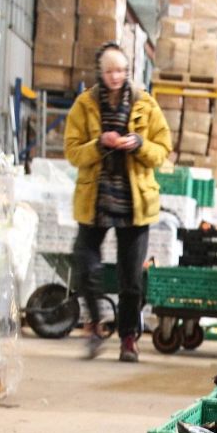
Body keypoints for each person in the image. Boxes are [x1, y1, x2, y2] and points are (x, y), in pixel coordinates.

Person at [63, 43, 172, 362]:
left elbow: (162, 150)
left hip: (134, 202)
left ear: (129, 71)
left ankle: (128, 339)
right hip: (95, 199)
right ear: (100, 71)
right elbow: (72, 152)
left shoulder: (145, 104)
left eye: (121, 70)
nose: (116, 76)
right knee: (84, 264)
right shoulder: (84, 105)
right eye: (110, 71)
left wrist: (138, 143)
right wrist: (99, 143)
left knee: (131, 278)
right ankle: (95, 325)